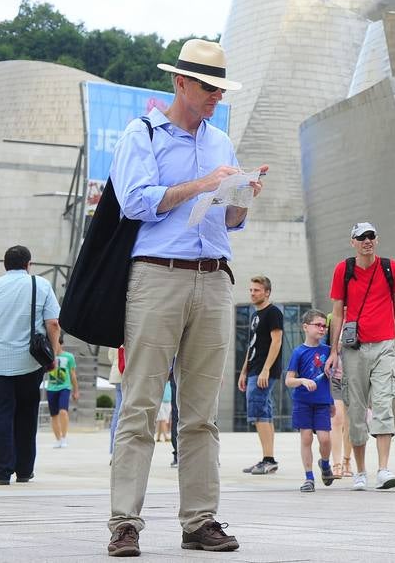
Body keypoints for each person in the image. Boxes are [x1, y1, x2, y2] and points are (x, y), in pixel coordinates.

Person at [106, 38, 266, 557]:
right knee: (140, 404)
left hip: (214, 275)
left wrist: (241, 195)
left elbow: (231, 221)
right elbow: (134, 202)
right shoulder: (143, 133)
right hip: (157, 274)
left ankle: (200, 521)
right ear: (179, 82)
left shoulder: (220, 142)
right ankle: (124, 522)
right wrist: (201, 184)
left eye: (220, 88)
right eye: (207, 87)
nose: (216, 96)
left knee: (201, 412)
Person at [325, 221, 395, 491]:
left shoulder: (390, 268)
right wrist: (333, 350)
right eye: (361, 237)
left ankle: (383, 469)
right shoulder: (344, 269)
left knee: (384, 404)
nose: (367, 241)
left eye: (371, 236)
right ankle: (360, 471)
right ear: (353, 242)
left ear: (377, 239)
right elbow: (338, 312)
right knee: (357, 408)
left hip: (385, 344)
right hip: (354, 348)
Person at [0, 245, 61, 486]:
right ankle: (24, 470)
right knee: (27, 414)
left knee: (2, 415)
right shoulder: (40, 285)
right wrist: (53, 355)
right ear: (28, 264)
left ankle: (1, 472)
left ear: (5, 264)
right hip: (29, 362)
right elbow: (53, 324)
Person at [285, 309, 335, 492]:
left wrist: (331, 401)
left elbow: (334, 374)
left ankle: (325, 463)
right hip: (303, 402)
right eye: (318, 325)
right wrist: (302, 381)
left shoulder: (329, 351)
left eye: (324, 326)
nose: (322, 329)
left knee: (325, 439)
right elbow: (289, 380)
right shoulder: (298, 352)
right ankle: (309, 477)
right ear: (305, 327)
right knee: (306, 438)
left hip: (322, 402)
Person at [239, 275, 285, 475]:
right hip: (254, 369)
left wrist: (265, 369)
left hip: (264, 371)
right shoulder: (255, 315)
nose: (252, 293)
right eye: (251, 290)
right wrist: (244, 371)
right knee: (264, 413)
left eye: (256, 290)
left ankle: (268, 459)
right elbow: (252, 345)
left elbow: (277, 341)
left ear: (267, 292)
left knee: (258, 413)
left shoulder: (273, 312)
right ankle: (268, 458)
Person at [324, 313, 352, 478]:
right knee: (337, 419)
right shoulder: (332, 318)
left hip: (353, 378)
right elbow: (326, 344)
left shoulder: (360, 316)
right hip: (335, 376)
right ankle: (336, 464)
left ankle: (347, 459)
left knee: (350, 422)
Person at [45, 344, 79, 449]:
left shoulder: (69, 357)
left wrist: (76, 390)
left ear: (61, 344)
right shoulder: (48, 356)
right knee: (54, 415)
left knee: (63, 411)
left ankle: (64, 437)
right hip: (51, 388)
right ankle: (58, 439)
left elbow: (73, 374)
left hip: (65, 387)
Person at [106, 346, 125, 456]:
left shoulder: (116, 337)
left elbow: (110, 357)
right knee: (126, 412)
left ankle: (113, 449)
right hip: (127, 374)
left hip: (117, 374)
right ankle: (120, 450)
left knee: (117, 412)